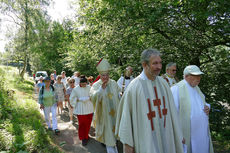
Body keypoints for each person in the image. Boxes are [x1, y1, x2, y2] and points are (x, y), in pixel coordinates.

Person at [115, 48, 184, 153]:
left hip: (167, 139)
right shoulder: (134, 88)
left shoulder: (163, 84)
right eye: (155, 63)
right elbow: (126, 122)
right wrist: (129, 146)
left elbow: (172, 114)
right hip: (146, 143)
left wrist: (178, 135)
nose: (159, 67)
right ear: (144, 65)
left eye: (160, 63)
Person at [171, 65, 214, 153]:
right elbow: (172, 114)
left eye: (199, 76)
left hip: (201, 134)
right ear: (186, 76)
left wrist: (208, 107)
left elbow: (202, 103)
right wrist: (178, 135)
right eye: (195, 75)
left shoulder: (196, 88)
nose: (198, 78)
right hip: (188, 134)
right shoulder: (176, 89)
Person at [90, 59, 121, 153]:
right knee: (109, 139)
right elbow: (93, 98)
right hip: (104, 117)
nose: (105, 77)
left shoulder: (114, 83)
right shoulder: (96, 85)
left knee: (114, 139)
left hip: (115, 116)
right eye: (103, 75)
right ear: (100, 75)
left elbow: (119, 97)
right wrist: (100, 90)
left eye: (107, 74)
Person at [70, 75, 94, 146]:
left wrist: (89, 98)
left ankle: (86, 135)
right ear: (79, 83)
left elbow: (93, 95)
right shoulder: (75, 89)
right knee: (82, 124)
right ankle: (83, 138)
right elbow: (71, 98)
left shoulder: (90, 88)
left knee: (88, 123)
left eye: (85, 84)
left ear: (86, 83)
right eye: (82, 84)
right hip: (80, 109)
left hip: (89, 108)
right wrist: (78, 99)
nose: (84, 85)